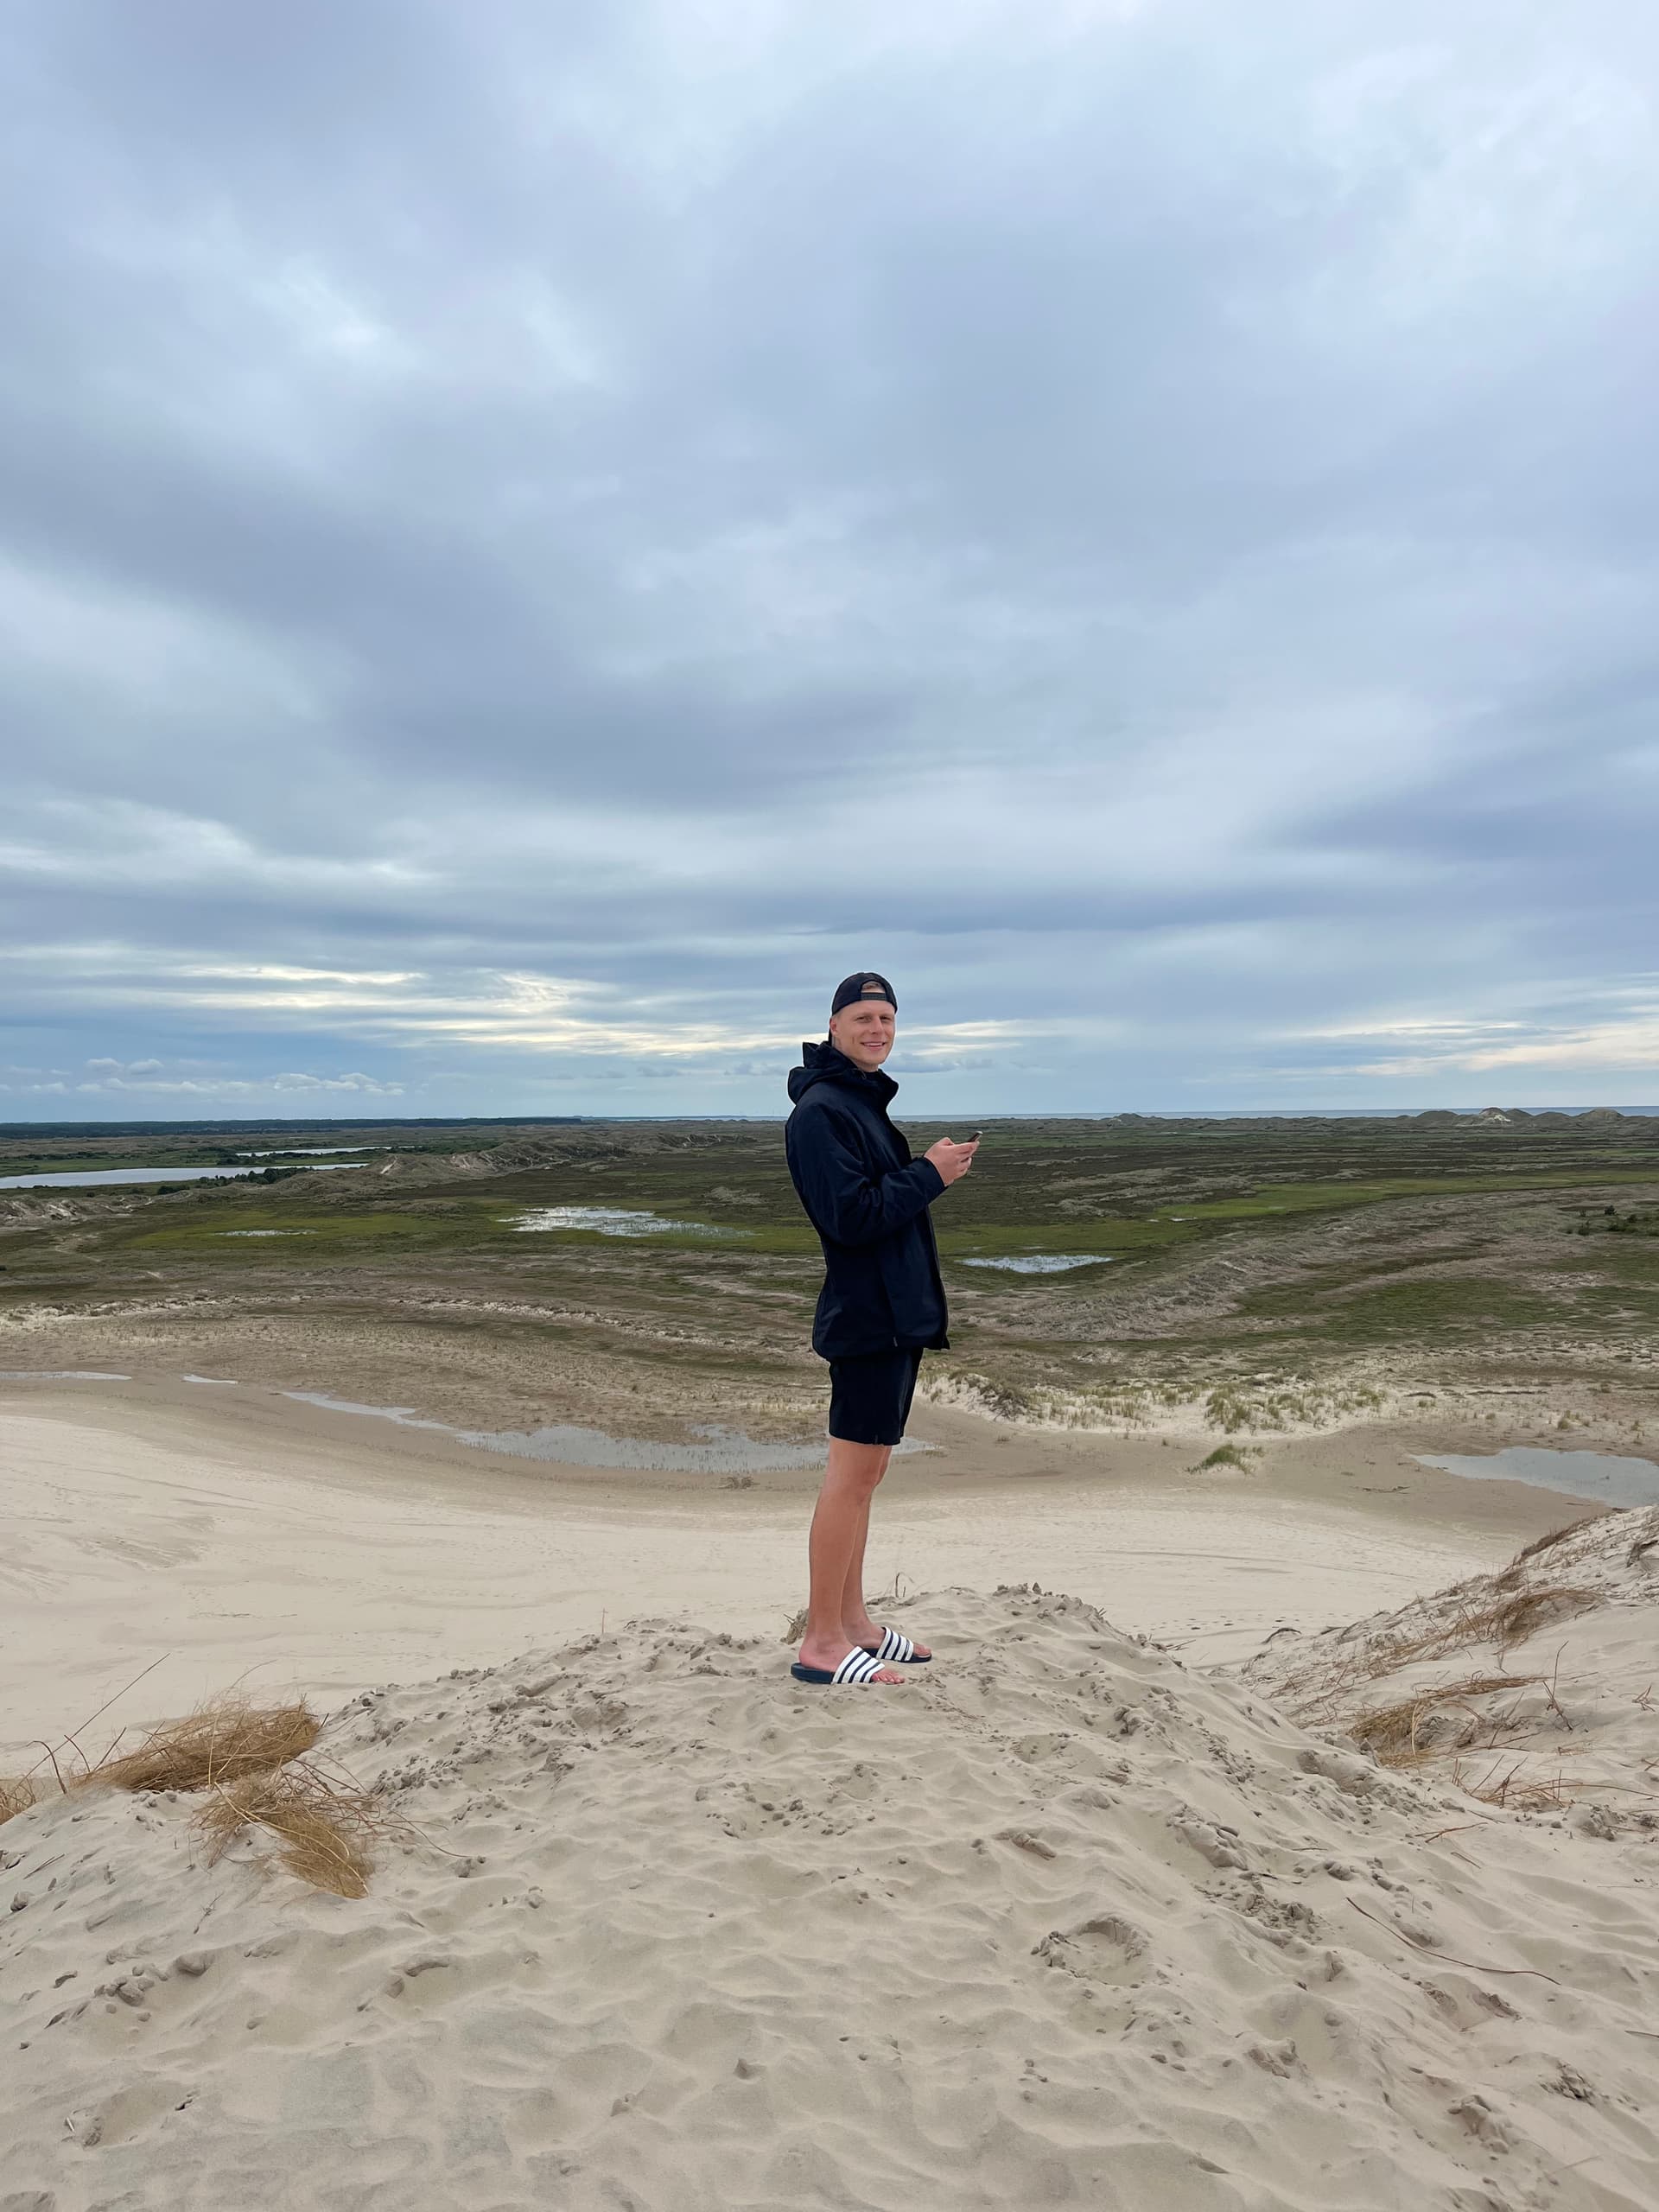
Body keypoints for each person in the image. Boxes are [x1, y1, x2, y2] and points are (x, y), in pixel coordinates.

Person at [783, 971, 978, 1687]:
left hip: (894, 1320)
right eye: (863, 1017)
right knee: (848, 1482)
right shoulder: (822, 1112)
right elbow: (851, 1217)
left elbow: (877, 1206)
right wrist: (929, 1173)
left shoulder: (860, 1103)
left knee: (865, 1481)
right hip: (867, 1322)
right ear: (833, 1028)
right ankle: (822, 1641)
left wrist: (927, 1173)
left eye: (888, 1018)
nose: (878, 1030)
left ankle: (856, 1622)